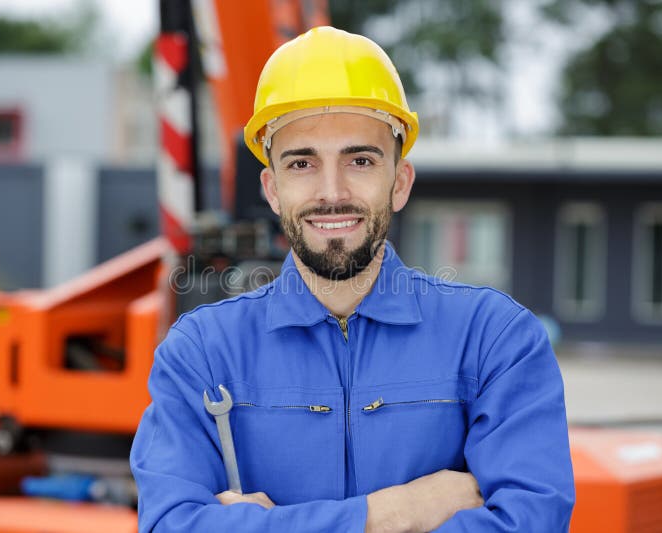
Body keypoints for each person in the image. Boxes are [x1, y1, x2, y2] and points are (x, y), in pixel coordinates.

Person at [131, 26, 575, 532]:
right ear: (273, 191)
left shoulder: (494, 339)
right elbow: (171, 525)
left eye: (360, 160)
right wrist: (390, 514)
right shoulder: (201, 353)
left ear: (400, 182)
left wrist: (272, 524)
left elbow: (531, 521)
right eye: (302, 163)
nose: (331, 192)